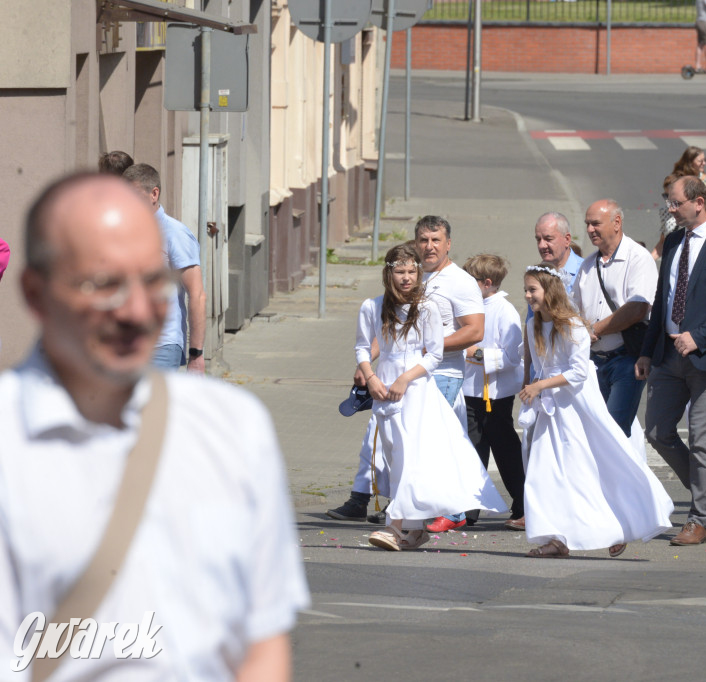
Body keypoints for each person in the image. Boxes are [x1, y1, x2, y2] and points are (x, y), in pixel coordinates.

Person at [0, 172, 309, 676]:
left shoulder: (231, 428)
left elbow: (261, 644)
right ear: (36, 293)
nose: (136, 311)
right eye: (103, 283)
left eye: (152, 281)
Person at [357, 244, 507, 551]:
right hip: (384, 389)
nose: (407, 277)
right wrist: (370, 377)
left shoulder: (425, 308)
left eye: (412, 271)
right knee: (393, 456)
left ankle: (394, 526)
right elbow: (363, 347)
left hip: (417, 389)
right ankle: (414, 529)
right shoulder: (371, 307)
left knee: (413, 454)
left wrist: (405, 378)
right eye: (400, 271)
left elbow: (435, 353)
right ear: (389, 273)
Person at [519, 265, 673, 558]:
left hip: (575, 408)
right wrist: (532, 387)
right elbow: (538, 364)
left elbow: (577, 373)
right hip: (550, 409)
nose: (527, 295)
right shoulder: (533, 325)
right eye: (526, 290)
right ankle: (556, 536)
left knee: (589, 467)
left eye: (532, 290)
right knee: (544, 472)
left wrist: (540, 386)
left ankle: (617, 524)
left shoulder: (573, 326)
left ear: (549, 291)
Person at [636, 176, 706, 544]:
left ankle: (698, 519)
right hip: (668, 356)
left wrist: (699, 336)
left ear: (699, 203)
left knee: (703, 440)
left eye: (676, 203)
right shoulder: (672, 241)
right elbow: (662, 299)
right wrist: (646, 351)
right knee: (657, 431)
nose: (671, 209)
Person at [413, 216, 488, 534]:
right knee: (418, 442)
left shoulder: (460, 281)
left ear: (448, 244)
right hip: (417, 374)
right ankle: (420, 504)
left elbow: (475, 330)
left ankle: (455, 510)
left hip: (445, 375)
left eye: (435, 240)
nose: (429, 246)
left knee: (439, 444)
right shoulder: (416, 277)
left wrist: (433, 346)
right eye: (423, 240)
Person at [572, 200, 658, 437]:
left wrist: (595, 329)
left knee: (613, 434)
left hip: (625, 359)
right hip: (592, 361)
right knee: (594, 432)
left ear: (617, 223)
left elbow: (637, 308)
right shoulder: (588, 265)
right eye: (587, 224)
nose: (590, 230)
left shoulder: (638, 258)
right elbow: (574, 309)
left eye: (596, 223)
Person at [461, 254, 526, 531]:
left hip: (495, 394)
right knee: (472, 450)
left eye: (469, 281)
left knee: (505, 450)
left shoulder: (504, 310)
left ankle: (523, 502)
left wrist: (477, 353)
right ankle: (469, 508)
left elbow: (513, 356)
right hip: (470, 390)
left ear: (487, 283)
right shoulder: (469, 307)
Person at [122, 163, 206, 374]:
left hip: (161, 346)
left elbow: (196, 294)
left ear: (154, 194)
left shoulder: (173, 233)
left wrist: (196, 354)